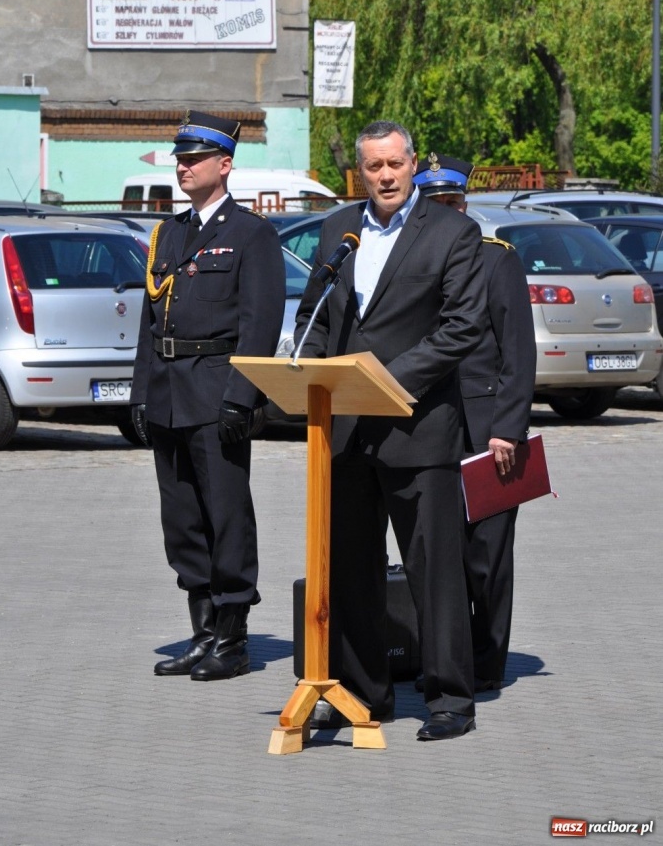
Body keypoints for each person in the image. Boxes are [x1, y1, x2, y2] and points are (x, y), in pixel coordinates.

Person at [294, 120, 488, 742]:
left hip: (418, 427)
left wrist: (385, 379)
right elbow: (318, 311)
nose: (384, 176)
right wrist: (304, 360)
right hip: (346, 429)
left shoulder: (454, 232)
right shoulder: (336, 229)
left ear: (412, 167)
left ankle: (450, 698)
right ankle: (364, 695)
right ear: (361, 172)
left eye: (394, 165)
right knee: (351, 569)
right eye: (373, 167)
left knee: (434, 571)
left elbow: (461, 327)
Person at [131, 110, 285, 681]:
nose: (182, 166)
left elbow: (260, 323)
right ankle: (201, 632)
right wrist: (142, 394)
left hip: (216, 391)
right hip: (170, 392)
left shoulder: (251, 234)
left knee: (226, 515)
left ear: (224, 165)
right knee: (182, 519)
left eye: (194, 159)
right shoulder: (170, 233)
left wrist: (241, 397)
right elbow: (153, 321)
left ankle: (233, 637)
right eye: (179, 157)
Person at [414, 151, 536, 691]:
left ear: (464, 204)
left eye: (450, 202)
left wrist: (508, 427)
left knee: (486, 556)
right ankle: (445, 661)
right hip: (429, 425)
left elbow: (518, 351)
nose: (443, 211)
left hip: (487, 427)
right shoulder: (411, 258)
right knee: (437, 553)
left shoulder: (496, 260)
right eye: (433, 203)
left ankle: (486, 662)